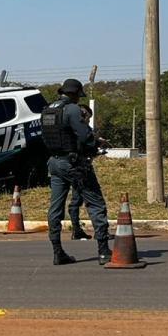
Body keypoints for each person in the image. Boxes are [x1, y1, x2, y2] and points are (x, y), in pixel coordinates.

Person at [40, 79, 110, 265]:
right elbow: (85, 137)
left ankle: (57, 252)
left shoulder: (48, 110)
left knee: (55, 208)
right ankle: (103, 250)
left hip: (54, 163)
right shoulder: (71, 109)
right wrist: (96, 144)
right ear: (75, 94)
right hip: (74, 164)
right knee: (96, 203)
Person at [67, 105, 94, 240]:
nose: (88, 121)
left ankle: (76, 229)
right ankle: (100, 233)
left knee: (76, 199)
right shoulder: (81, 129)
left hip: (69, 165)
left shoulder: (70, 127)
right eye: (88, 118)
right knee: (92, 200)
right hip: (80, 167)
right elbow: (87, 144)